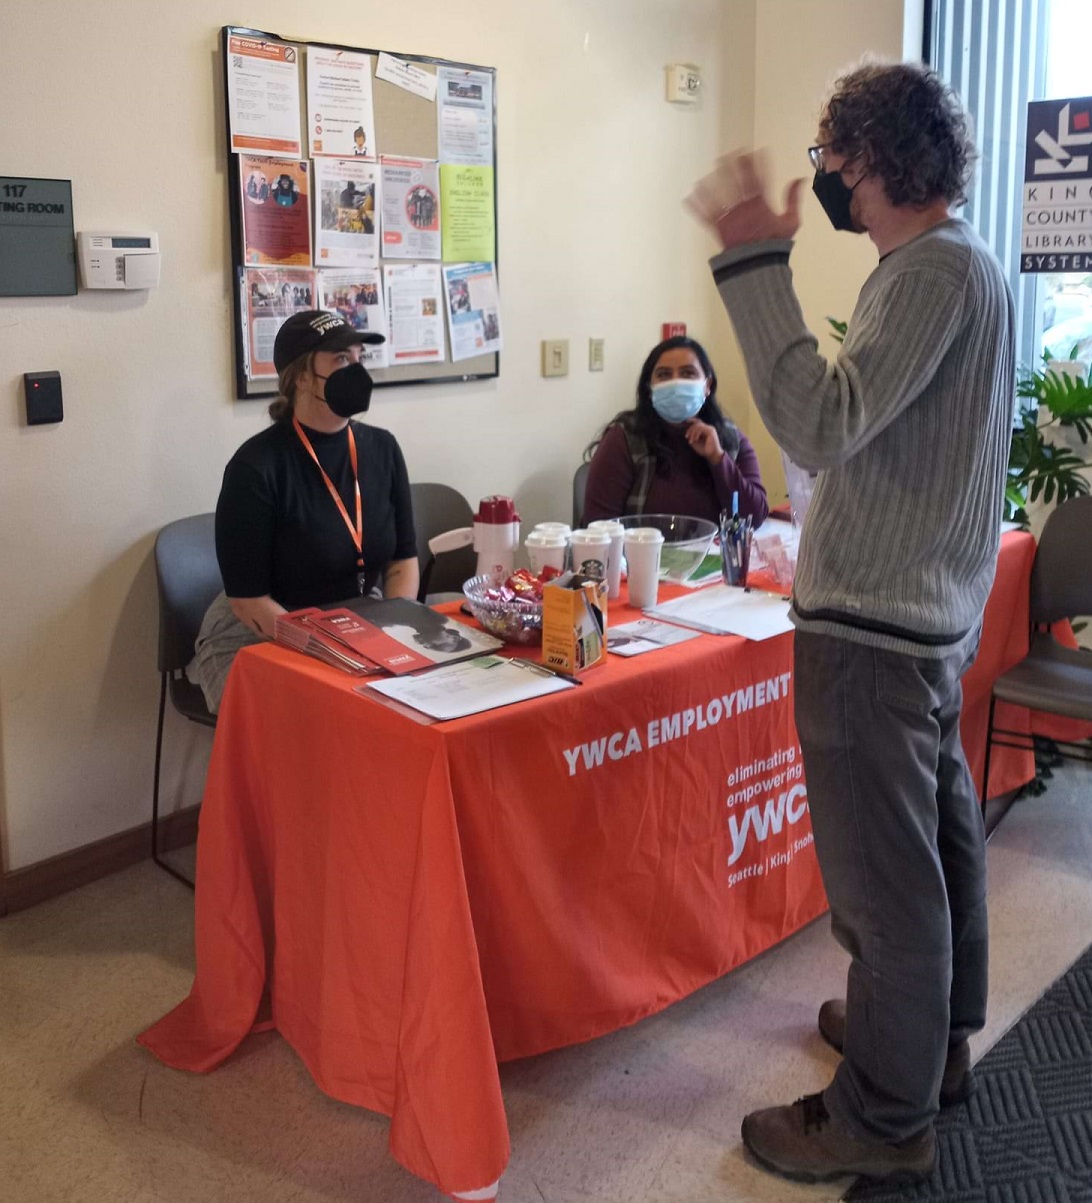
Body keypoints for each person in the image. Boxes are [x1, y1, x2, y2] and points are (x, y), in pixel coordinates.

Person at [687, 62, 1014, 1183]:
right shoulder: (959, 265)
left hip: (875, 634)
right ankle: (928, 1052)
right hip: (917, 622)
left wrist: (748, 256)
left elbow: (818, 423)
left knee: (883, 893)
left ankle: (883, 1114)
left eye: (834, 157)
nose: (825, 175)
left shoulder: (928, 271)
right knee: (930, 860)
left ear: (878, 160)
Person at [187, 311, 419, 713]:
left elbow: (403, 563)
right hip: (258, 633)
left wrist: (391, 634)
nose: (357, 371)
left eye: (358, 358)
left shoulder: (383, 449)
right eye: (341, 360)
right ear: (301, 377)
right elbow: (249, 604)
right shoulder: (255, 467)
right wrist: (333, 654)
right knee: (313, 724)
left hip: (359, 621)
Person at [582, 335, 768, 527]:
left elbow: (753, 518)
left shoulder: (730, 438)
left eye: (688, 373)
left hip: (714, 556)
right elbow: (598, 528)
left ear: (707, 386)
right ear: (650, 388)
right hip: (642, 556)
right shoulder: (624, 439)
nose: (676, 382)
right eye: (664, 375)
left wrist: (718, 459)